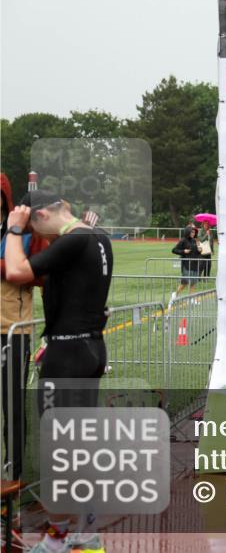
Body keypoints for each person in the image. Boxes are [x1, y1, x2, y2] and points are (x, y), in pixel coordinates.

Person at [4, 190, 113, 553]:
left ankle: (62, 537)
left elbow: (17, 271)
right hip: (86, 348)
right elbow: (78, 296)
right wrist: (54, 337)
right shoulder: (97, 237)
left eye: (39, 233)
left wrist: (14, 230)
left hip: (69, 357)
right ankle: (84, 534)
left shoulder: (74, 239)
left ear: (42, 216)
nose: (42, 242)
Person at [0, 172, 48, 480]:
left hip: (12, 330)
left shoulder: (25, 232)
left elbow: (41, 275)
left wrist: (8, 268)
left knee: (13, 405)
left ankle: (14, 474)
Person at [172, 226, 200, 300]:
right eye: (192, 232)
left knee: (193, 283)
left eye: (194, 232)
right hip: (186, 265)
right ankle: (175, 294)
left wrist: (199, 250)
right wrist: (183, 251)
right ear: (188, 232)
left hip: (195, 264)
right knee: (185, 282)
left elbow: (196, 252)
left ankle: (191, 299)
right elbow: (174, 250)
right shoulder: (183, 240)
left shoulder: (194, 241)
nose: (193, 233)